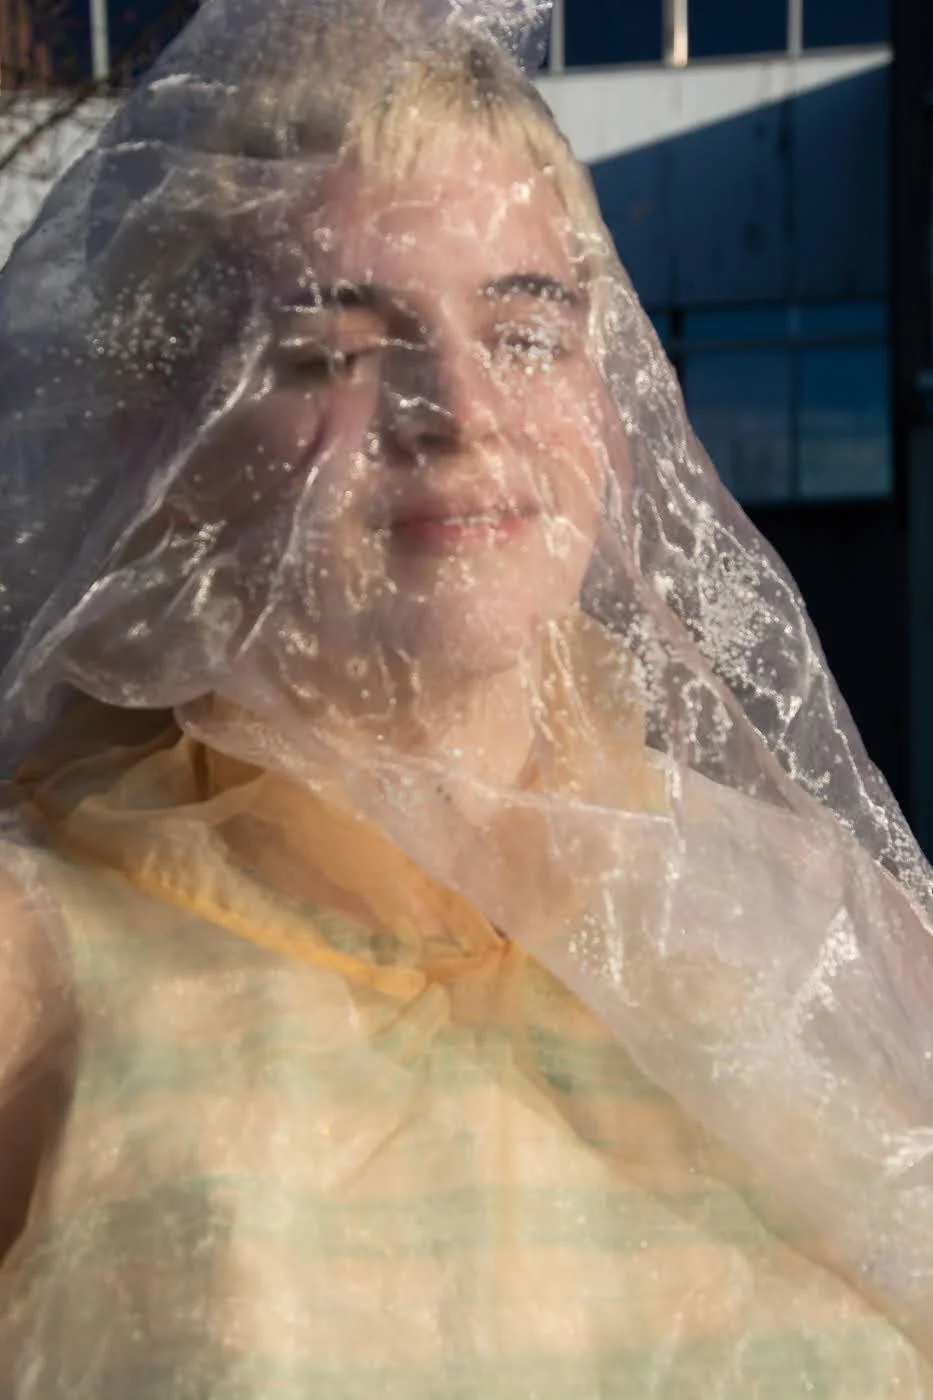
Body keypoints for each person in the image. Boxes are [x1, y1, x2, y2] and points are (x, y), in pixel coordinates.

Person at [2, 1, 933, 1393]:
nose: (459, 406)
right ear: (167, 445)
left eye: (526, 331)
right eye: (331, 351)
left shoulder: (817, 933)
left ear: (615, 406)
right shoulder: (40, 964)